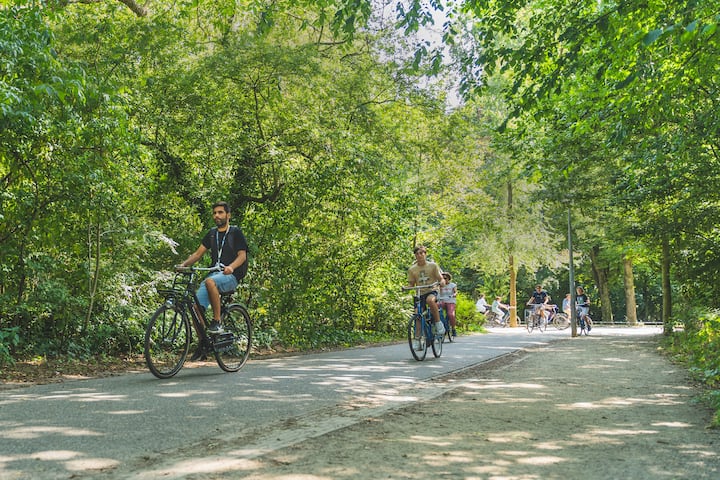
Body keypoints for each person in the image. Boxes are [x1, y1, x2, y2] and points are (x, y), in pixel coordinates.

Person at [178, 201, 248, 358]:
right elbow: (198, 254)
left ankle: (217, 322)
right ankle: (204, 344)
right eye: (215, 213)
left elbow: (242, 256)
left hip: (230, 276)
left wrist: (231, 267)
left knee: (210, 282)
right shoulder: (211, 234)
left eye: (220, 212)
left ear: (228, 215)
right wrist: (183, 265)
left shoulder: (235, 232)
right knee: (196, 308)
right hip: (213, 275)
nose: (217, 215)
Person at [406, 245, 446, 349]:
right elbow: (411, 284)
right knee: (417, 315)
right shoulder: (412, 269)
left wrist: (442, 282)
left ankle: (438, 323)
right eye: (417, 254)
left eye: (421, 253)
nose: (419, 255)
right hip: (420, 293)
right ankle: (417, 339)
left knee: (430, 300)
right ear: (415, 255)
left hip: (432, 290)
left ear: (425, 254)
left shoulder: (433, 266)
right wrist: (406, 287)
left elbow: (440, 278)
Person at [438, 272, 458, 337]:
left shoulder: (452, 285)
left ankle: (453, 328)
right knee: (435, 309)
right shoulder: (440, 285)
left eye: (445, 278)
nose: (444, 279)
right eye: (442, 278)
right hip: (442, 301)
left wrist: (454, 294)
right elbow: (438, 293)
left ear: (449, 278)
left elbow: (455, 292)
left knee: (451, 314)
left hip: (450, 301)